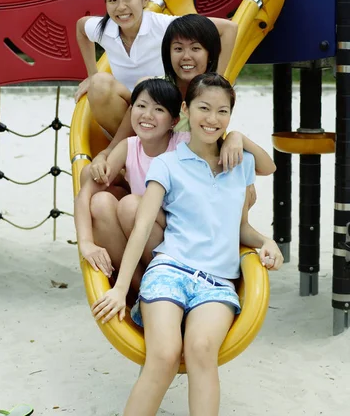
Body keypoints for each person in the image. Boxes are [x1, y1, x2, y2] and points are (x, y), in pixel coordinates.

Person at [92, 73, 283, 416]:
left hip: (217, 282)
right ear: (185, 110)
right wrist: (121, 288)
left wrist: (266, 240)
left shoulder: (239, 164)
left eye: (222, 112)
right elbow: (142, 228)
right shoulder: (167, 163)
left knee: (201, 350)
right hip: (170, 270)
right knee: (163, 355)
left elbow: (243, 220)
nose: (212, 119)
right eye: (204, 108)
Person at [74, 0, 238, 140]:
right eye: (112, 0)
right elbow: (81, 27)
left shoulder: (163, 26)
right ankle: (130, 148)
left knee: (146, 85)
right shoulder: (105, 29)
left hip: (162, 105)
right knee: (99, 83)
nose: (121, 7)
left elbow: (229, 28)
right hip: (126, 106)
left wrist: (216, 80)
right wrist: (92, 73)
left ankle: (148, 146)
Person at [74, 78, 189, 290]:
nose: (147, 115)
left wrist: (235, 138)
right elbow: (85, 194)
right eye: (141, 106)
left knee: (131, 205)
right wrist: (86, 243)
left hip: (177, 238)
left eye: (159, 109)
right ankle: (137, 288)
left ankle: (160, 283)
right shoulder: (130, 147)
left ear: (174, 121)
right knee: (99, 201)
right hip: (142, 236)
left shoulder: (183, 144)